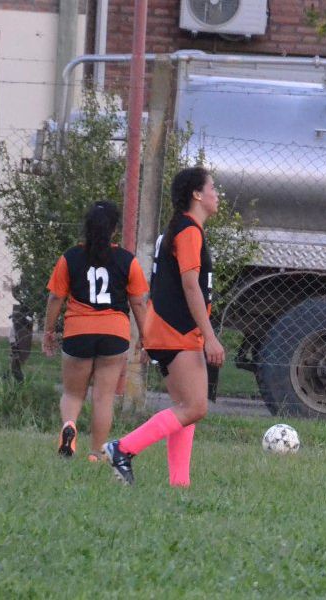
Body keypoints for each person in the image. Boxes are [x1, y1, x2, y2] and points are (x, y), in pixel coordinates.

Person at [103, 167, 225, 486]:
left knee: (185, 407)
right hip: (177, 331)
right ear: (197, 194)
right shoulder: (187, 231)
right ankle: (123, 448)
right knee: (195, 407)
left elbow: (161, 285)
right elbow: (189, 286)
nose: (216, 193)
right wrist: (209, 337)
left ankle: (179, 483)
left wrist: (149, 337)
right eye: (212, 187)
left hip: (166, 329)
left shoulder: (180, 230)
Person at [42, 201, 149, 461]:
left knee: (72, 393)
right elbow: (138, 301)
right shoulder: (128, 260)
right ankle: (96, 454)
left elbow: (56, 297)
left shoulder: (70, 257)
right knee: (103, 398)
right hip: (114, 333)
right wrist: (146, 337)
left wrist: (48, 331)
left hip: (79, 330)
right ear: (114, 229)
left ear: (87, 227)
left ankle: (69, 426)